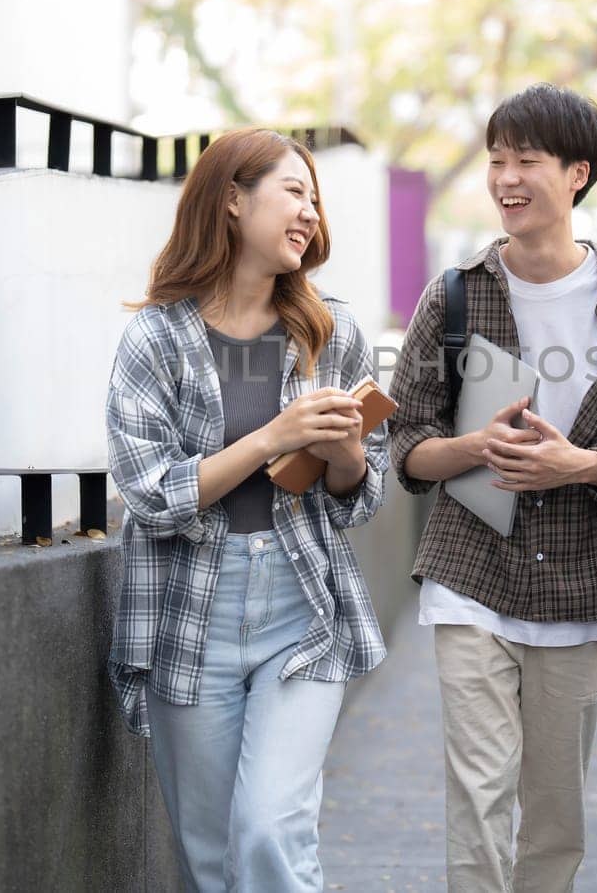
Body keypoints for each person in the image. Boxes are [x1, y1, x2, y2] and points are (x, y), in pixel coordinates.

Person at [387, 83, 597, 892]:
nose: (505, 178)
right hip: (471, 571)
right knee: (478, 790)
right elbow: (407, 445)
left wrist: (585, 465)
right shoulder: (453, 294)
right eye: (496, 160)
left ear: (577, 174)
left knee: (555, 812)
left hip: (582, 581)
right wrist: (470, 447)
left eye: (526, 160)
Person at [104, 128, 389, 892]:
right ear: (232, 199)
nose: (309, 212)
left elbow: (363, 495)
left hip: (302, 603)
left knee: (269, 830)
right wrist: (276, 434)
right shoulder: (155, 340)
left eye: (315, 198)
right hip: (189, 607)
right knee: (209, 856)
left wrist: (343, 454)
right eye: (293, 191)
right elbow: (149, 491)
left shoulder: (333, 330)